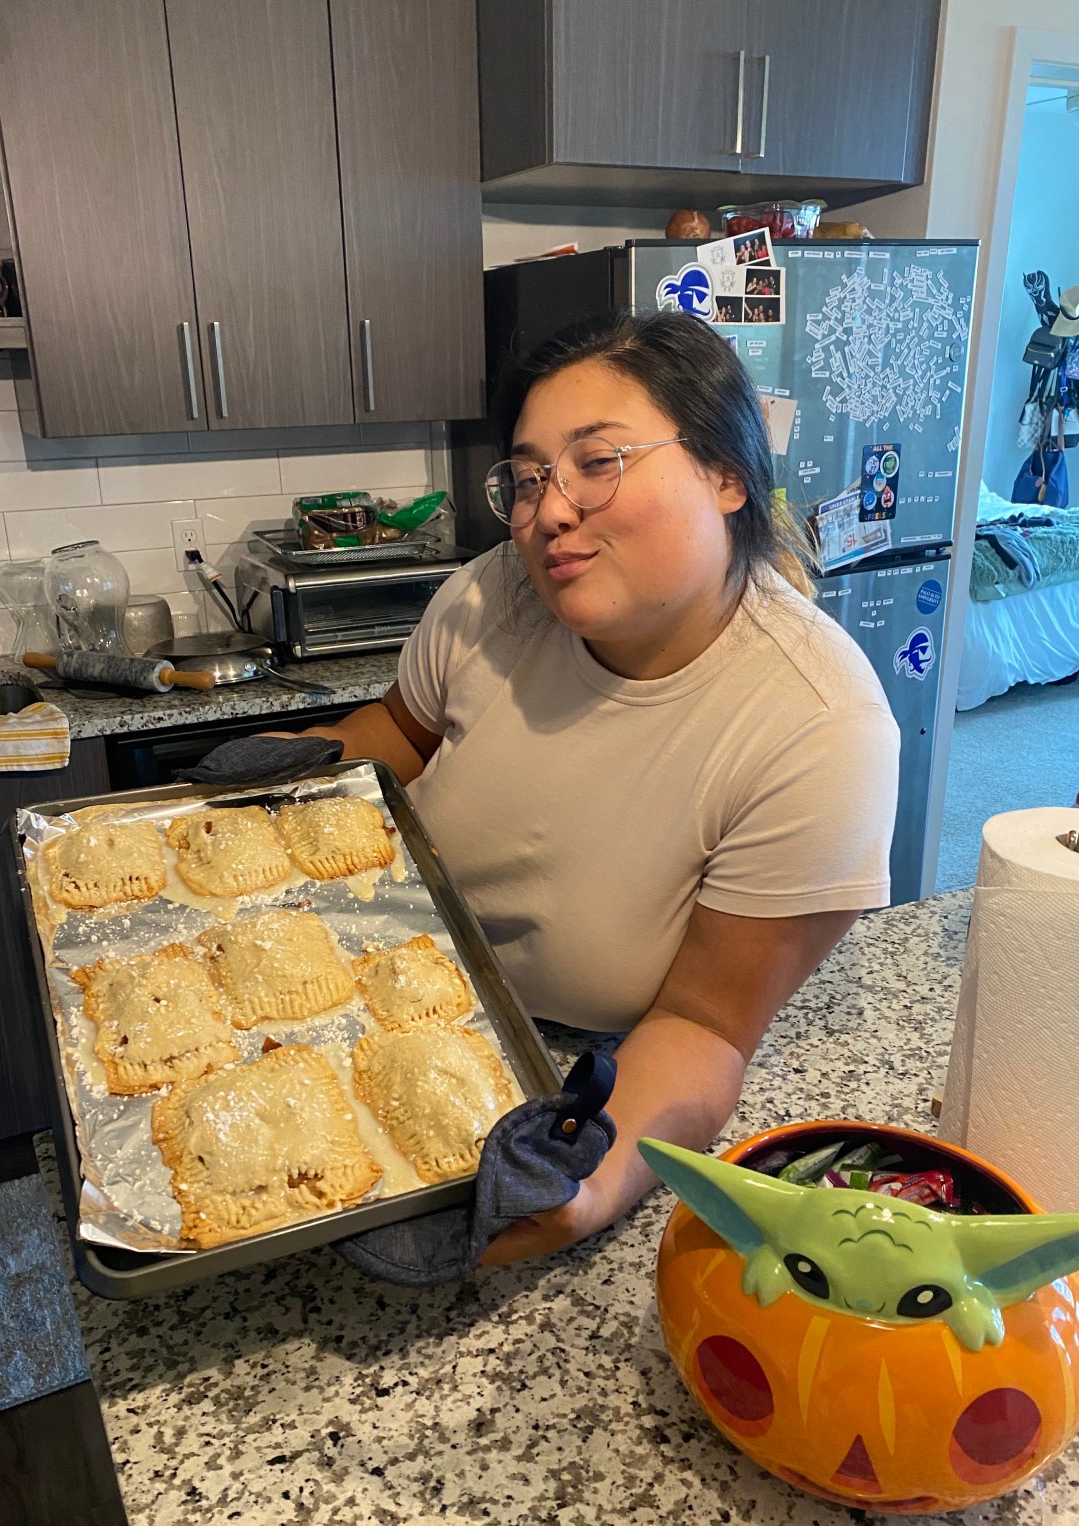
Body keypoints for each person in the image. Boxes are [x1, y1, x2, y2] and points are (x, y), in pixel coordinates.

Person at [276, 311, 899, 1264]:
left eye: (595, 462)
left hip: (579, 1081)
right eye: (527, 478)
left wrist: (585, 1185)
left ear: (727, 475)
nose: (548, 511)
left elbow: (703, 1029)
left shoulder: (818, 727)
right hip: (376, 1002)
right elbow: (398, 735)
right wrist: (284, 772)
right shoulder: (494, 598)